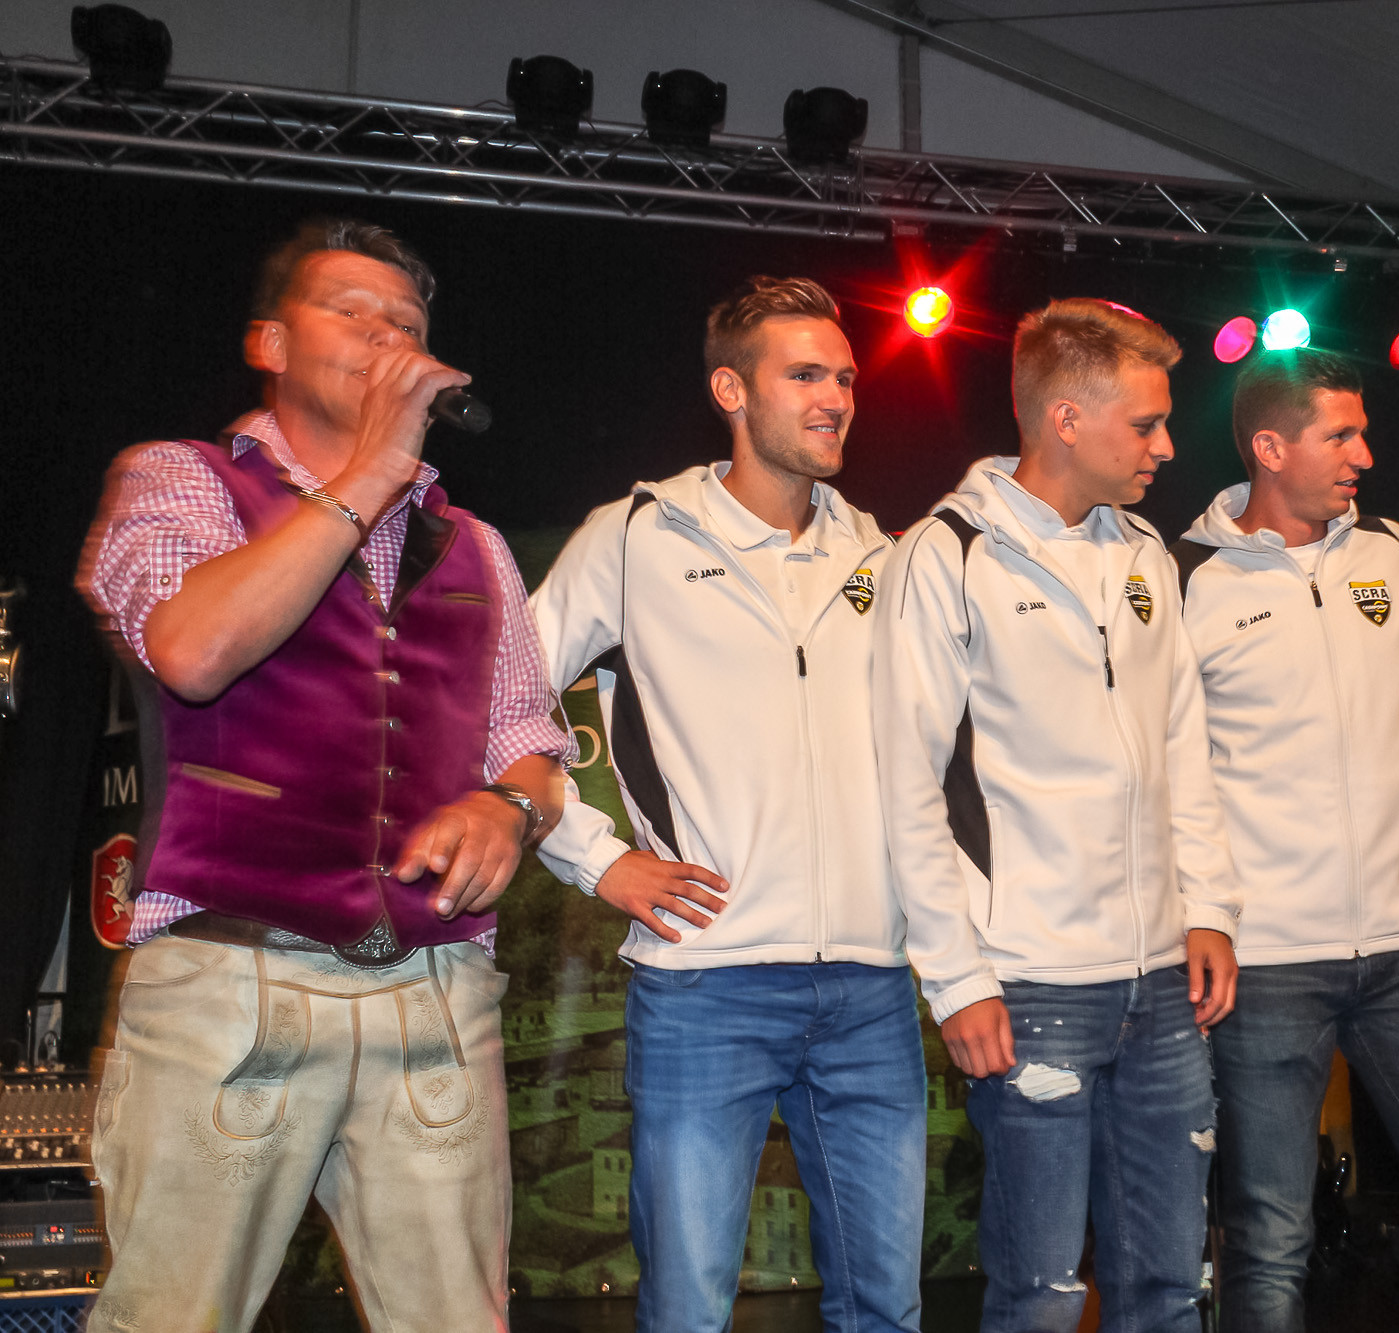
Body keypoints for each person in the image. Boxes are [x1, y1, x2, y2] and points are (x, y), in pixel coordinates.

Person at [76, 218, 570, 1333]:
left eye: (407, 322)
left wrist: (508, 805)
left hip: (435, 989)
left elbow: (530, 743)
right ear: (270, 342)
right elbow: (194, 649)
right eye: (352, 312)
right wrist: (371, 473)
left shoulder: (476, 545)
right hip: (229, 982)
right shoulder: (181, 479)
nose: (387, 334)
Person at [529, 276, 923, 1333]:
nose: (835, 398)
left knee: (886, 1309)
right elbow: (496, 702)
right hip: (707, 983)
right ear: (730, 390)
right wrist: (597, 857)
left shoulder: (884, 555)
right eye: (806, 375)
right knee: (688, 1310)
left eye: (844, 377)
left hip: (872, 984)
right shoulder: (635, 534)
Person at [874, 298, 1242, 1333]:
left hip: (1163, 985)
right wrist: (957, 978)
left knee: (1168, 1288)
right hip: (1028, 984)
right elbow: (905, 785)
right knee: (1039, 1297)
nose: (1167, 448)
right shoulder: (945, 554)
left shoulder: (1148, 553)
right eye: (1146, 424)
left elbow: (1182, 747)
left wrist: (1208, 908)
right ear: (1066, 419)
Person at [1172, 348, 1399, 1333]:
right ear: (1269, 447)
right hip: (1267, 961)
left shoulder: (1390, 551)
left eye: (1362, 433)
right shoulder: (1187, 577)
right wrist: (1205, 914)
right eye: (1340, 435)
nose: (1363, 456)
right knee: (1269, 1240)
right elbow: (1176, 777)